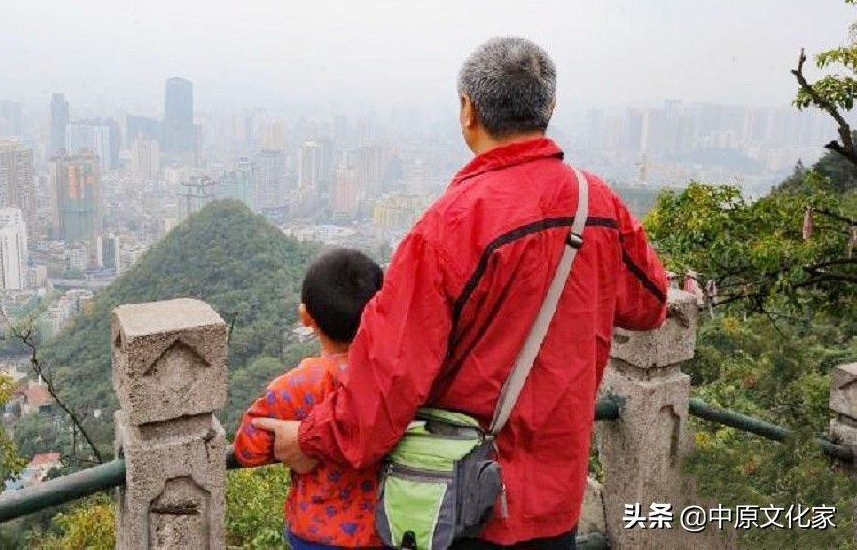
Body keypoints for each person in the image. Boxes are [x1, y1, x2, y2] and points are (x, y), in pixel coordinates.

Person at [255, 37, 668, 550]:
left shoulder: (449, 226)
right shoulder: (598, 204)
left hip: (465, 507)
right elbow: (649, 304)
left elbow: (390, 377)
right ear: (551, 109)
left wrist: (310, 439)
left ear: (467, 110)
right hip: (557, 502)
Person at [233, 248, 386, 549]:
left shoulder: (298, 386)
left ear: (305, 317)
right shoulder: (397, 376)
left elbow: (246, 449)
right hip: (386, 531)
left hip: (317, 535)